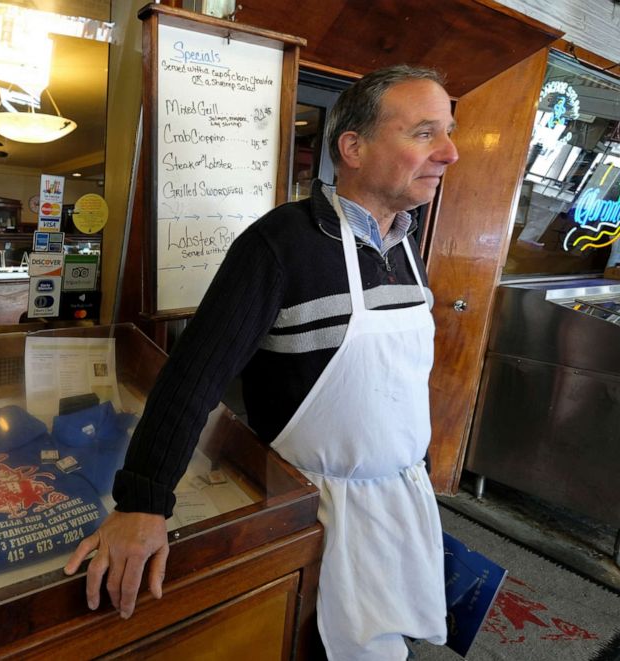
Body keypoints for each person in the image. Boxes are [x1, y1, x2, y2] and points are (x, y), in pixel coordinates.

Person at [64, 65, 459, 660]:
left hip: (397, 498)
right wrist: (143, 502)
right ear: (352, 147)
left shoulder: (404, 243)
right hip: (311, 508)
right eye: (425, 133)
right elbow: (192, 379)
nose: (450, 153)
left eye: (448, 132)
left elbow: (400, 382)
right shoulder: (278, 244)